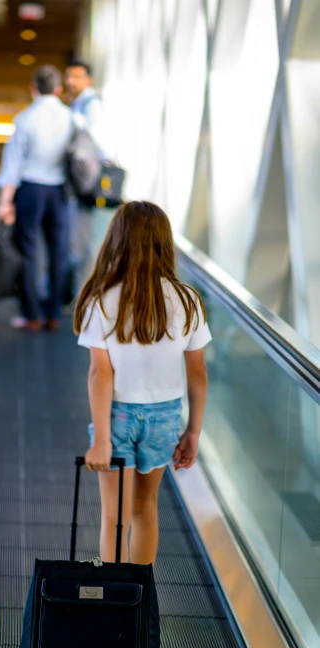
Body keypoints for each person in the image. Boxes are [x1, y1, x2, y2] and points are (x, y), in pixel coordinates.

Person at [74, 201, 211, 565]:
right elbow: (197, 372)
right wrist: (193, 432)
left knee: (113, 518)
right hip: (165, 416)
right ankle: (139, 600)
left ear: (117, 242)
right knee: (145, 509)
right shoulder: (188, 301)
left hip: (117, 414)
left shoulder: (102, 300)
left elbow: (100, 373)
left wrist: (102, 440)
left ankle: (114, 605)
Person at [0, 65, 72, 332]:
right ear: (59, 89)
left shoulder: (25, 118)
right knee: (58, 252)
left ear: (33, 88)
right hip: (60, 190)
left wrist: (5, 201)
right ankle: (53, 313)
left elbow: (12, 164)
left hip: (30, 189)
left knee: (29, 251)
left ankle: (32, 316)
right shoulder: (71, 118)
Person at [65, 59, 111, 298]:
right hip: (84, 181)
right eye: (69, 76)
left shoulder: (91, 105)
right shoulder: (80, 103)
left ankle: (85, 295)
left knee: (85, 241)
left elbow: (96, 141)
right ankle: (80, 292)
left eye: (76, 76)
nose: (71, 81)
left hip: (87, 182)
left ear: (88, 79)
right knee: (80, 239)